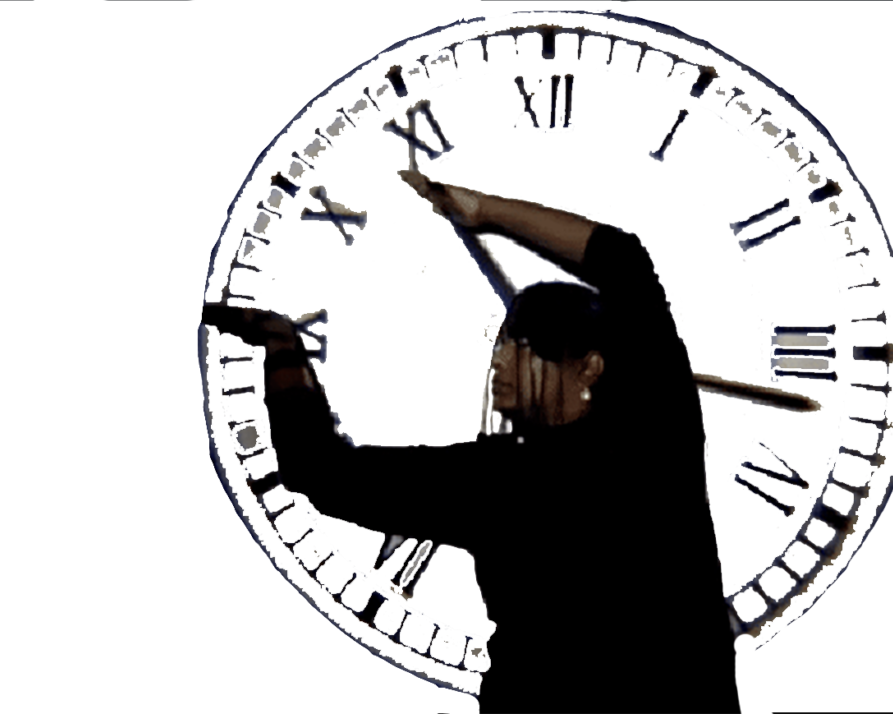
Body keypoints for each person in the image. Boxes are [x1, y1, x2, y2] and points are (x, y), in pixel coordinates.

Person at [201, 174, 736, 705]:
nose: (500, 363)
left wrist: (282, 347)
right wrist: (483, 211)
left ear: (589, 366)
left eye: (522, 347)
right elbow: (323, 472)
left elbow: (320, 470)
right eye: (500, 346)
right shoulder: (657, 429)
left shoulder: (503, 475)